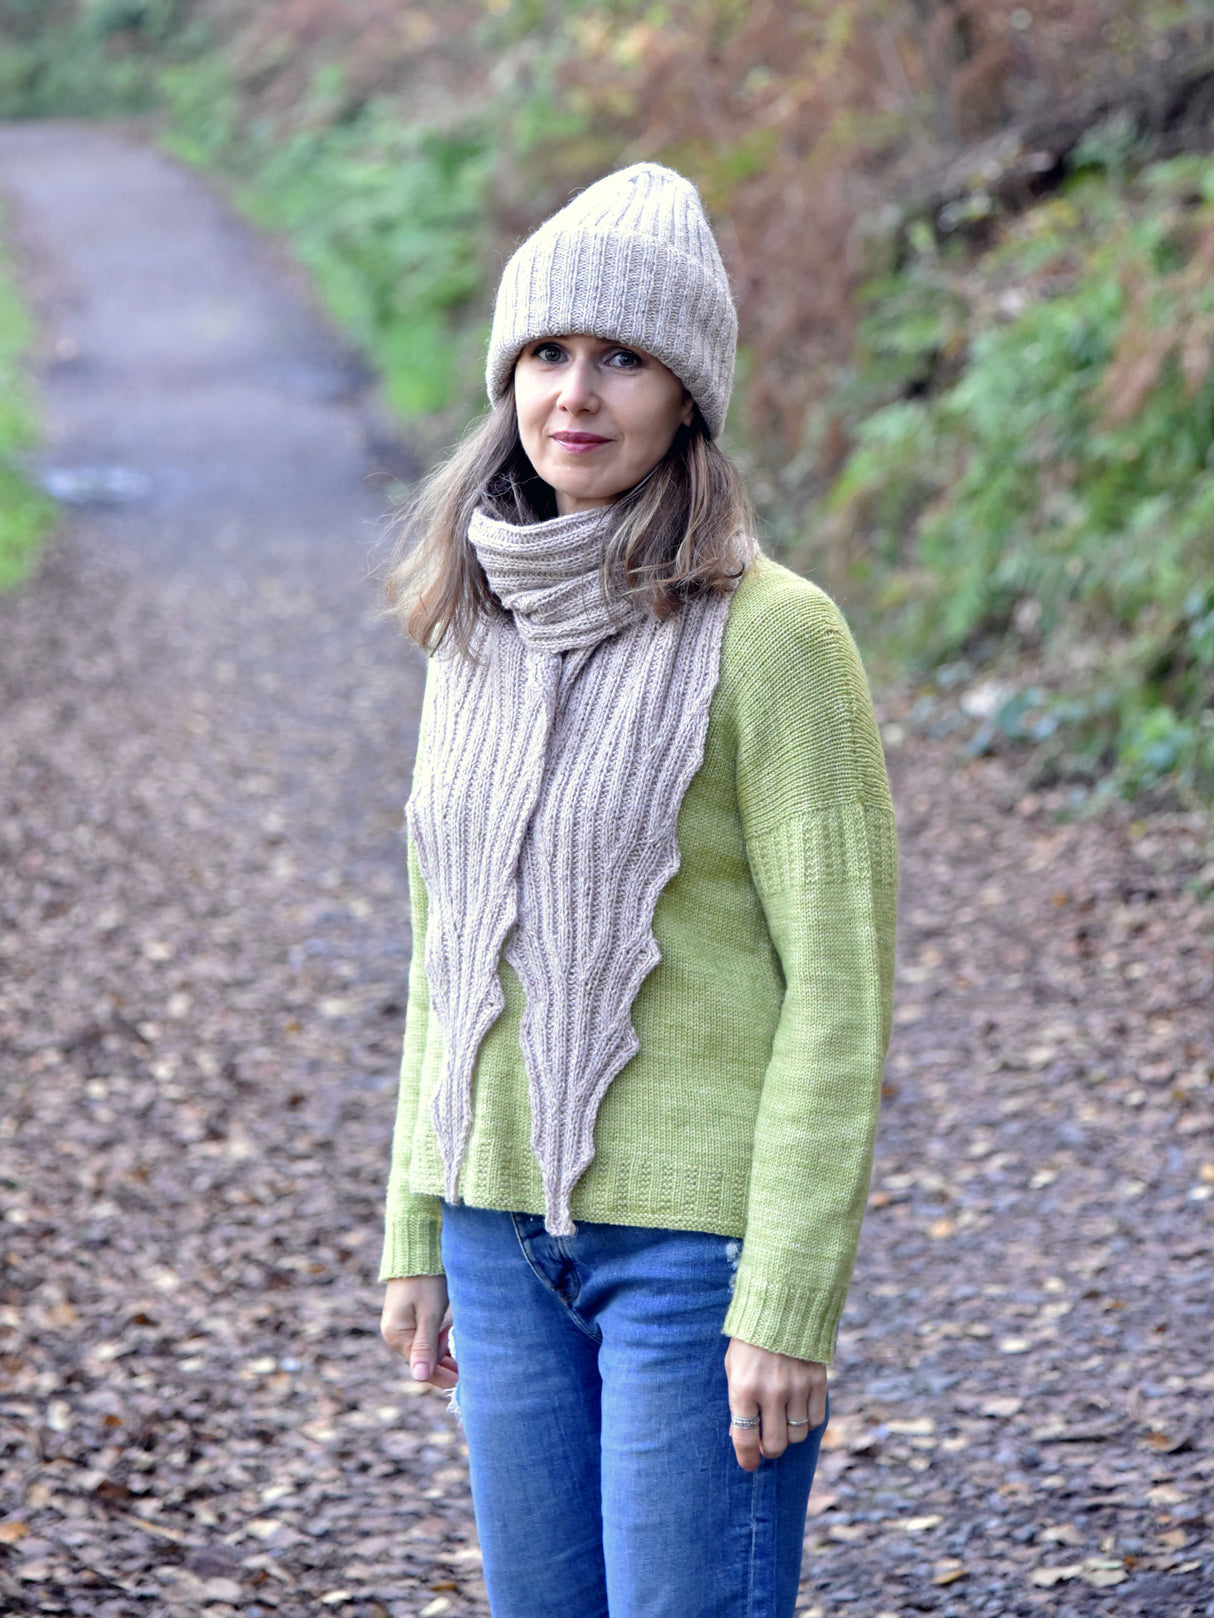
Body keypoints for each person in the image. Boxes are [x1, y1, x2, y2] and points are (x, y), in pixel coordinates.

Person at [378, 162, 897, 1618]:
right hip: (494, 1240)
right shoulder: (468, 624)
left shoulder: (780, 637)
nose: (576, 392)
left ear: (687, 396)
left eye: (624, 357)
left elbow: (839, 993)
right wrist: (418, 1226)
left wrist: (787, 1297)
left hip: (690, 1255)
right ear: (508, 378)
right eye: (547, 351)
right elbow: (445, 956)